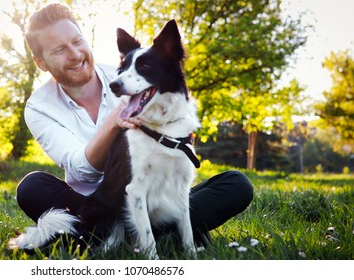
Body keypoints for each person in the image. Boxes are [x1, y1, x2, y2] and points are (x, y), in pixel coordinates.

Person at [15, 3, 253, 248]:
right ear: (41, 62)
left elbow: (174, 123)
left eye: (77, 41)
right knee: (32, 187)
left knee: (236, 184)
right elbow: (82, 170)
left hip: (156, 197)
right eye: (59, 50)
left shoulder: (132, 75)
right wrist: (114, 122)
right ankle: (132, 232)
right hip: (92, 204)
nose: (75, 54)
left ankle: (102, 237)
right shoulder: (39, 107)